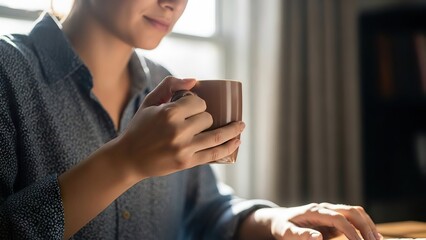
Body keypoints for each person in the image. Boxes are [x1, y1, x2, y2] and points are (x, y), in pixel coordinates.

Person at [0, 0, 383, 239]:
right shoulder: (8, 72)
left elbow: (207, 212)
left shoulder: (167, 84)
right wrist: (124, 161)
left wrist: (277, 222)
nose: (174, 3)